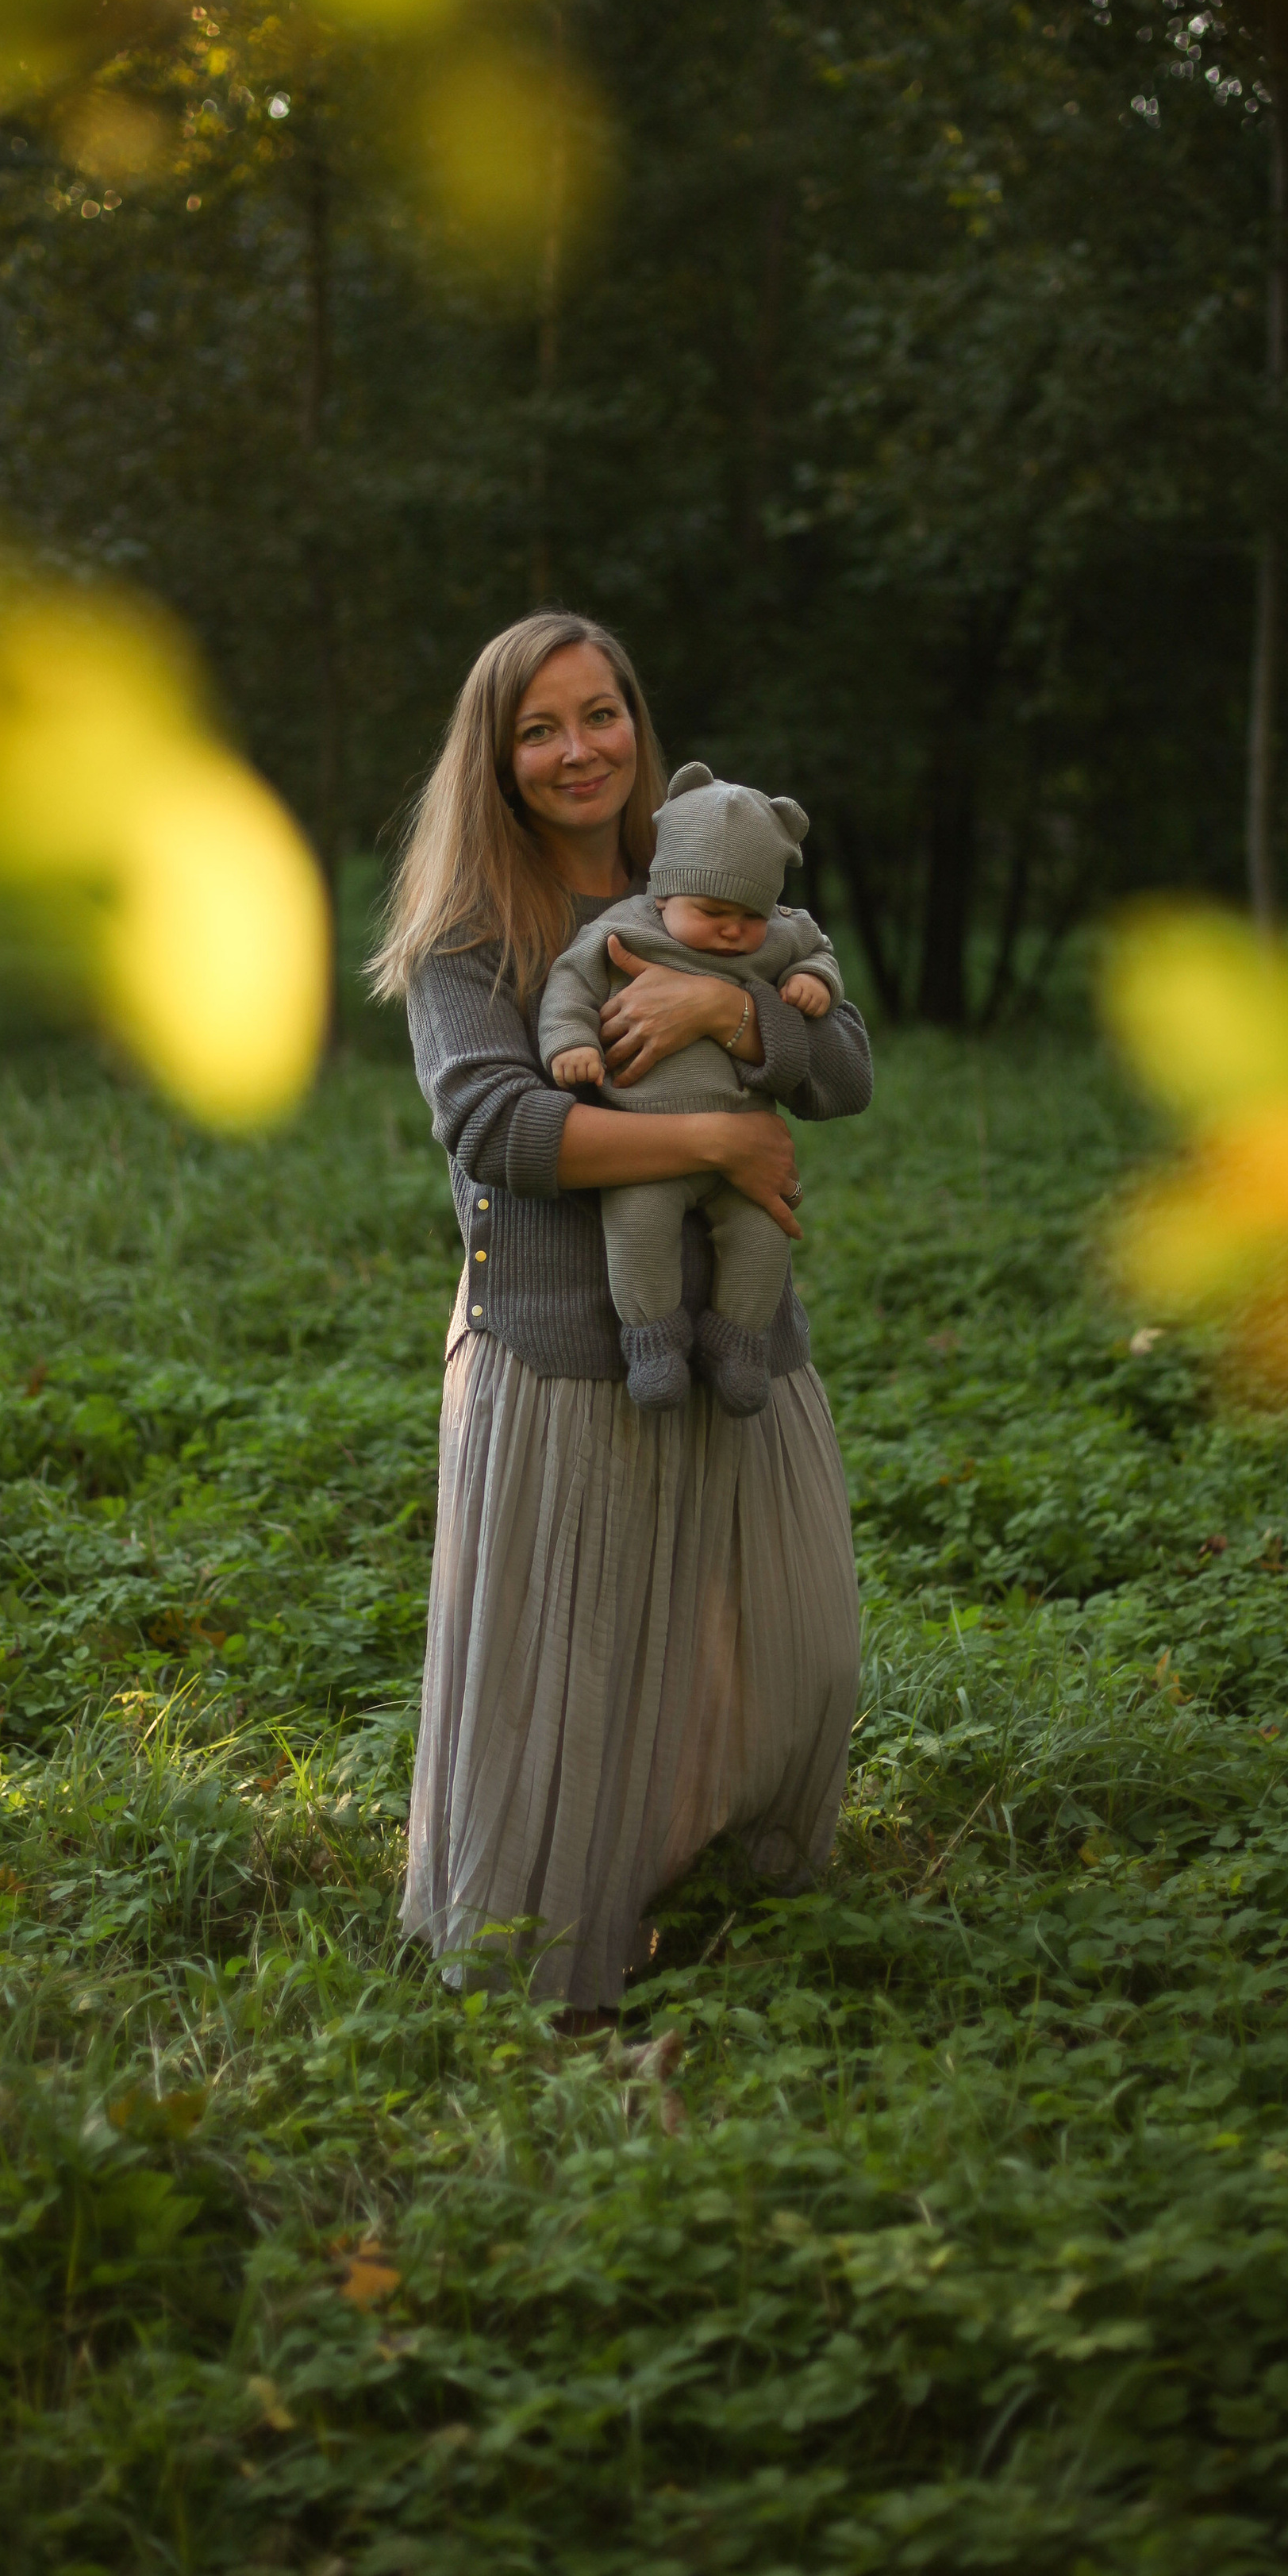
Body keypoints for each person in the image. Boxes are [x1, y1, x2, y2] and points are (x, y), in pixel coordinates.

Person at [368, 611, 871, 2027]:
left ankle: (726, 1892)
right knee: (571, 1678)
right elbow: (498, 1127)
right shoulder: (472, 932)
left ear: (639, 725)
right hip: (557, 1340)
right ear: (499, 756)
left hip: (740, 1332)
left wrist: (733, 1002)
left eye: (600, 714)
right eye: (540, 728)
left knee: (802, 1643)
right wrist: (715, 1148)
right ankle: (549, 1961)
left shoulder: (710, 875)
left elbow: (844, 1069)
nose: (578, 748)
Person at [536, 759, 845, 1419]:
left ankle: (739, 1344)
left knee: (764, 1234)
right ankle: (652, 1343)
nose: (733, 930)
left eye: (749, 915)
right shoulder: (627, 931)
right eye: (713, 912)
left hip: (746, 1149)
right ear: (665, 895)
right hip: (644, 1144)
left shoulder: (775, 935)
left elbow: (816, 949)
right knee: (638, 1228)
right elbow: (570, 985)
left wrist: (816, 981)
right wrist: (572, 1044)